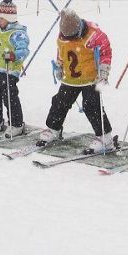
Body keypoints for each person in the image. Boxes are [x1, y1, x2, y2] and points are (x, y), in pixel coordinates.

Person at [39, 9, 113, 153]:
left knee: (92, 105)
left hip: (90, 78)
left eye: (73, 36)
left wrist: (104, 71)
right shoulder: (62, 36)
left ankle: (105, 138)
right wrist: (59, 66)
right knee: (59, 102)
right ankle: (54, 129)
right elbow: (61, 52)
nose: (71, 39)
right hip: (71, 79)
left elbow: (106, 52)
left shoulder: (94, 34)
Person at [0, 0, 30, 137]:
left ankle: (16, 124)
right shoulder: (0, 32)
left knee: (9, 97)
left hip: (9, 71)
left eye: (1, 18)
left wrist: (13, 55)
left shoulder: (17, 33)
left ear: (9, 18)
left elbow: (24, 50)